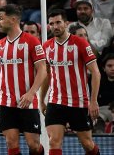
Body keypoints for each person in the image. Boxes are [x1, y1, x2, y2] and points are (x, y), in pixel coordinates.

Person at [40, 9, 101, 155]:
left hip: (79, 102)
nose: (55, 26)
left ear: (66, 23)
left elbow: (96, 73)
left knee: (87, 144)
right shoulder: (46, 47)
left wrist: (93, 101)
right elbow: (47, 75)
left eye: (58, 22)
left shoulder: (80, 44)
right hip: (56, 102)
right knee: (54, 142)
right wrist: (41, 100)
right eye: (51, 24)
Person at [0, 4, 47, 155]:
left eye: (1, 18)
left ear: (13, 19)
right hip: (6, 102)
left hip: (28, 102)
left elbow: (43, 70)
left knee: (34, 145)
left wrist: (31, 93)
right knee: (11, 143)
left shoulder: (32, 41)